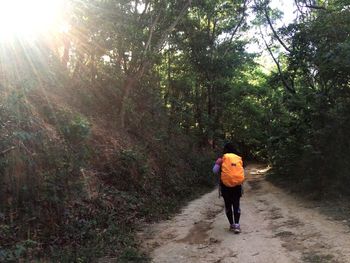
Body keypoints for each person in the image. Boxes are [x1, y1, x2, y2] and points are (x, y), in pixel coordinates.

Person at [213, 142, 245, 234]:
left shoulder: (221, 159)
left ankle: (231, 225)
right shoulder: (238, 158)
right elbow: (241, 171)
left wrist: (219, 165)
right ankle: (237, 225)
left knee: (228, 205)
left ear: (225, 149)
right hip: (237, 185)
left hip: (225, 186)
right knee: (236, 204)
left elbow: (214, 171)